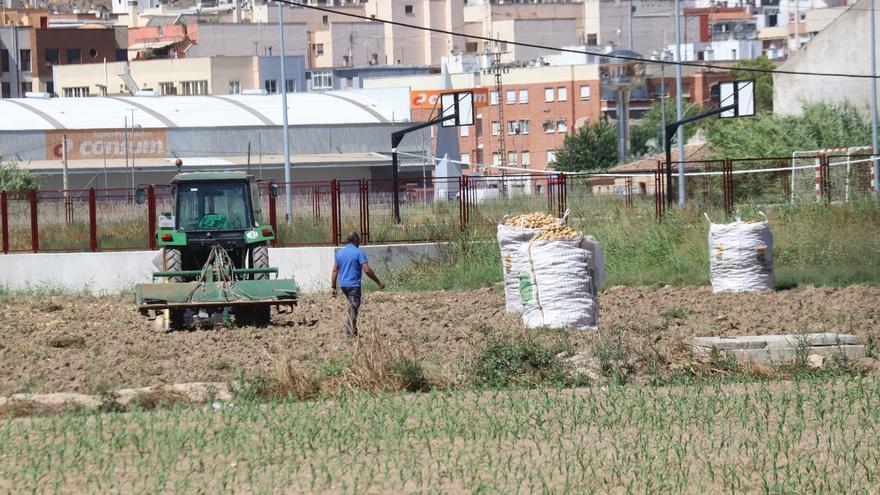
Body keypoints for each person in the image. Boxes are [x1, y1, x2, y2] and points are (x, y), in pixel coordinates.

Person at [331, 232, 384, 337]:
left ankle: (353, 330)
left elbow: (334, 271)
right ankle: (349, 332)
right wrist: (378, 282)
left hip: (344, 286)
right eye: (359, 239)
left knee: (352, 306)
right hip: (354, 285)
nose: (360, 241)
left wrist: (333, 287)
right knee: (354, 306)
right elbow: (367, 270)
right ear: (355, 240)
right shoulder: (359, 253)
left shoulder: (340, 253)